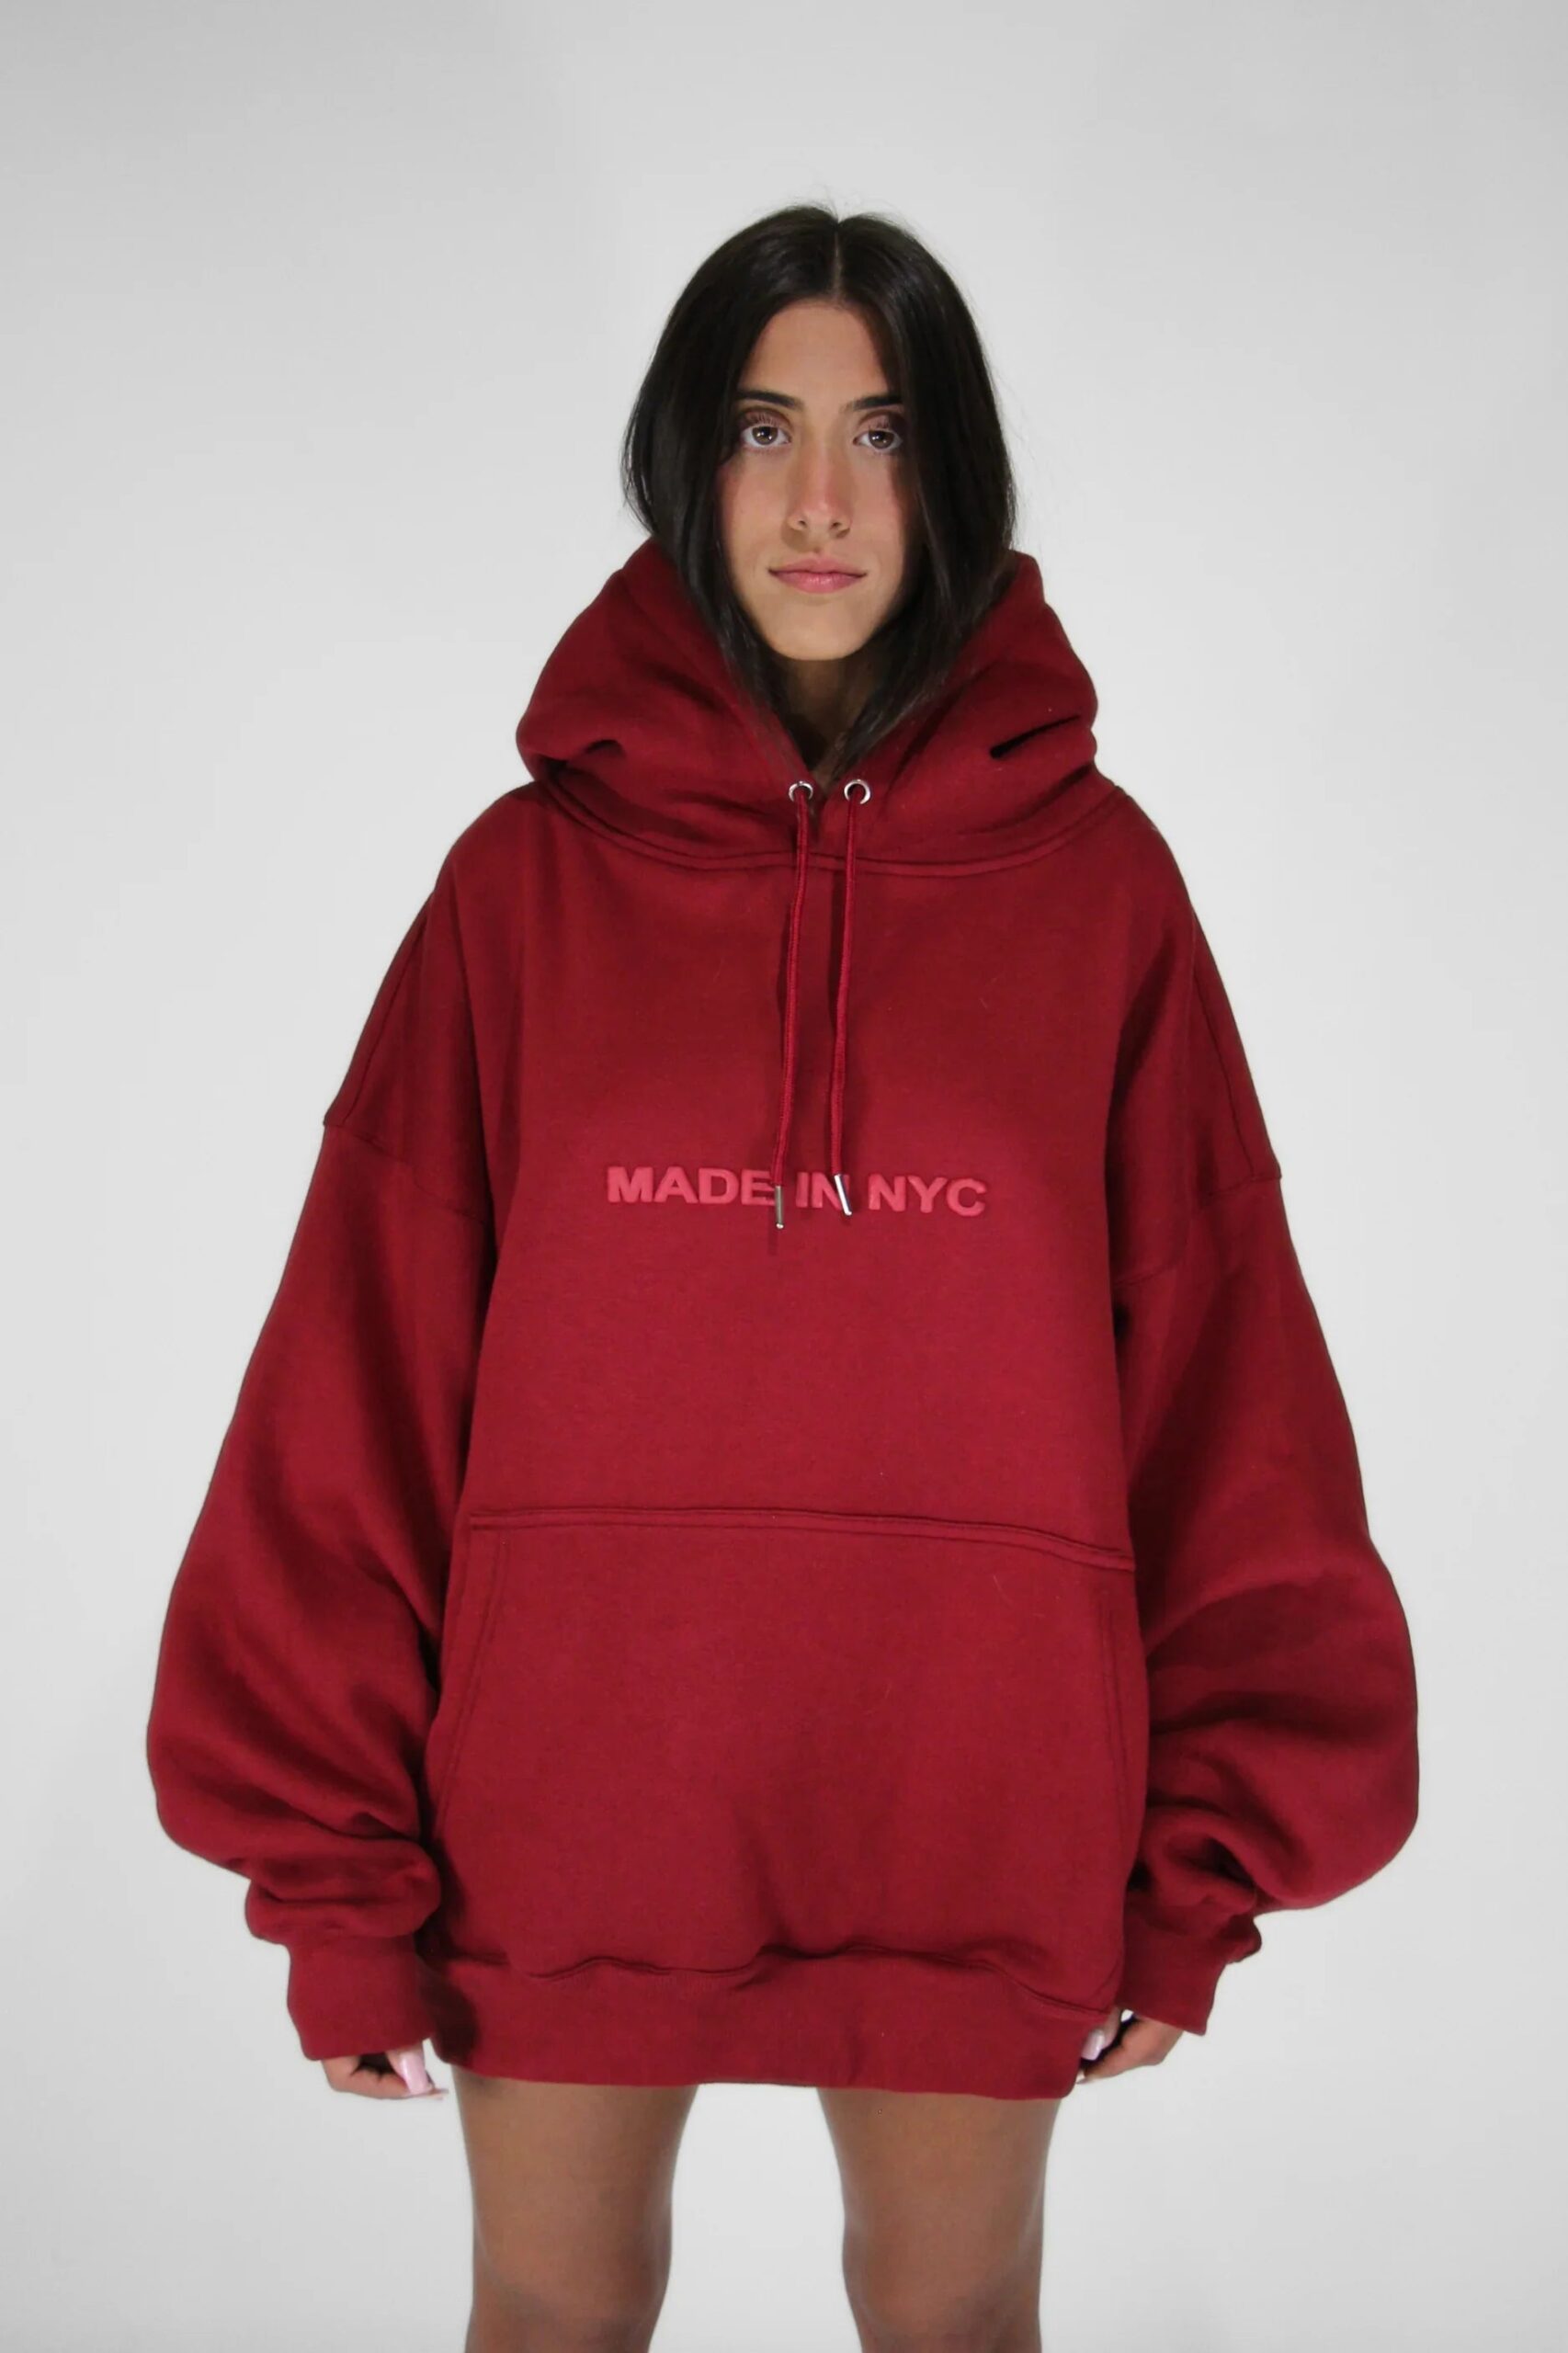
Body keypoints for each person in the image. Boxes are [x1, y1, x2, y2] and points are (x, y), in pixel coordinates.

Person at [144, 203, 1420, 2353]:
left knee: (955, 2322)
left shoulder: (1101, 891)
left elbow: (1228, 1393)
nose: (818, 499)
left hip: (975, 1791)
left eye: (878, 432)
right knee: (547, 2315)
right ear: (687, 460)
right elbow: (355, 1392)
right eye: (761, 429)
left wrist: (1195, 1870)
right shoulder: (518, 890)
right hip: (571, 1790)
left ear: (951, 473)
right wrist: (336, 1881)